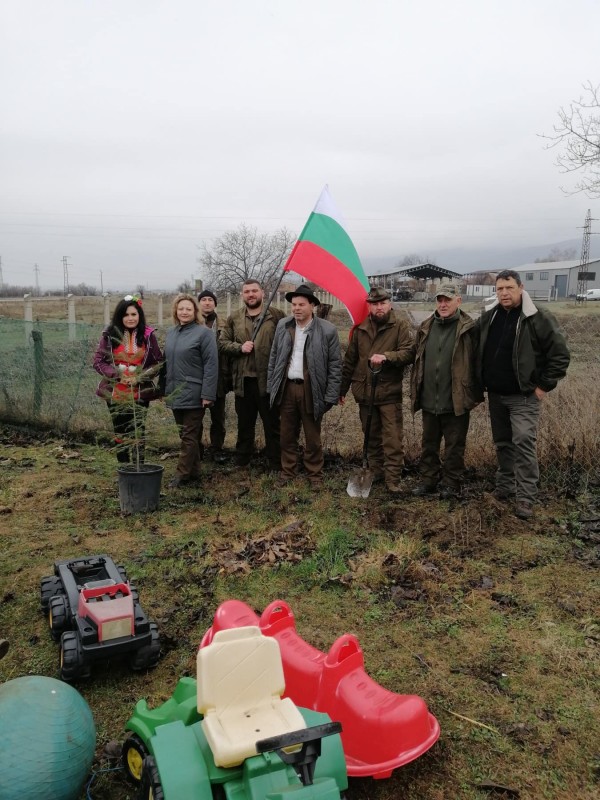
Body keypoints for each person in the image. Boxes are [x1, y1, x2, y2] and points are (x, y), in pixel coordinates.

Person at [477, 270, 570, 519]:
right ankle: (505, 486)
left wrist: (543, 386)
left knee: (523, 442)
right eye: (499, 289)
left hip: (524, 397)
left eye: (509, 287)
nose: (504, 293)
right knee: (503, 443)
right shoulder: (491, 315)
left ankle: (526, 496)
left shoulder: (537, 317)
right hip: (496, 395)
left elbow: (560, 355)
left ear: (520, 287)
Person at [410, 285, 483, 499]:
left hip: (456, 399)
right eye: (439, 300)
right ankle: (428, 481)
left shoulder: (469, 329)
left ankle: (451, 483)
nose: (443, 304)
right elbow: (415, 355)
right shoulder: (426, 326)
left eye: (447, 300)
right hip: (429, 397)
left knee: (454, 445)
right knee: (429, 444)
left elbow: (479, 361)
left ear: (458, 301)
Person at [340, 286, 415, 493]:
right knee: (370, 436)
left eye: (382, 303)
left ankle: (393, 481)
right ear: (369, 306)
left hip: (389, 393)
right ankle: (375, 472)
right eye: (375, 304)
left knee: (392, 439)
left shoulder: (400, 326)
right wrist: (342, 389)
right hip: (365, 393)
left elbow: (409, 353)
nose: (379, 307)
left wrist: (387, 357)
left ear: (389, 304)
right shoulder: (360, 329)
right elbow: (349, 362)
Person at [267, 284, 342, 487]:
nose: (296, 308)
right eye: (293, 304)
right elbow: (274, 357)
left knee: (312, 437)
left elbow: (335, 365)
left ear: (313, 306)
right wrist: (271, 387)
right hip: (287, 388)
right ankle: (288, 471)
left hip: (312, 389)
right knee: (286, 434)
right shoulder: (284, 325)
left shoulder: (327, 330)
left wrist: (331, 395)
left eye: (301, 304)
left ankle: (314, 475)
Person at [221, 279, 284, 469]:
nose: (251, 294)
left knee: (272, 424)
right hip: (244, 381)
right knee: (244, 424)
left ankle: (275, 462)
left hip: (268, 381)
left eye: (254, 290)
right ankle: (242, 460)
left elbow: (286, 343)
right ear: (242, 295)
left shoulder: (276, 316)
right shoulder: (234, 318)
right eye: (247, 291)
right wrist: (240, 347)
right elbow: (223, 342)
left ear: (262, 293)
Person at [93, 294, 163, 465]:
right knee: (120, 430)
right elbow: (98, 361)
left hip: (139, 391)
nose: (130, 318)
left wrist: (140, 376)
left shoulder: (148, 335)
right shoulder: (109, 335)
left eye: (134, 314)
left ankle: (138, 467)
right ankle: (124, 468)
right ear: (119, 316)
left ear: (139, 315)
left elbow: (158, 362)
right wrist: (117, 375)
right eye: (126, 315)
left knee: (138, 429)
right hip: (115, 391)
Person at [163, 293, 218, 488]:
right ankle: (194, 471)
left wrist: (208, 394)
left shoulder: (204, 334)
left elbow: (211, 365)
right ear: (176, 312)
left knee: (189, 434)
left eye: (188, 309)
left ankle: (181, 475)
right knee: (185, 435)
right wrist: (164, 389)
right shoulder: (171, 333)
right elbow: (166, 363)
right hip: (175, 392)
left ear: (195, 312)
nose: (184, 312)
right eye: (181, 309)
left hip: (195, 392)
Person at [197, 289, 230, 463]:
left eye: (210, 299)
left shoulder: (224, 324)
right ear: (199, 303)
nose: (207, 302)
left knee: (218, 418)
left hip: (218, 379)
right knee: (196, 417)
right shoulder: (192, 324)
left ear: (215, 304)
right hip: (196, 378)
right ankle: (197, 450)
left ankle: (217, 449)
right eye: (204, 299)